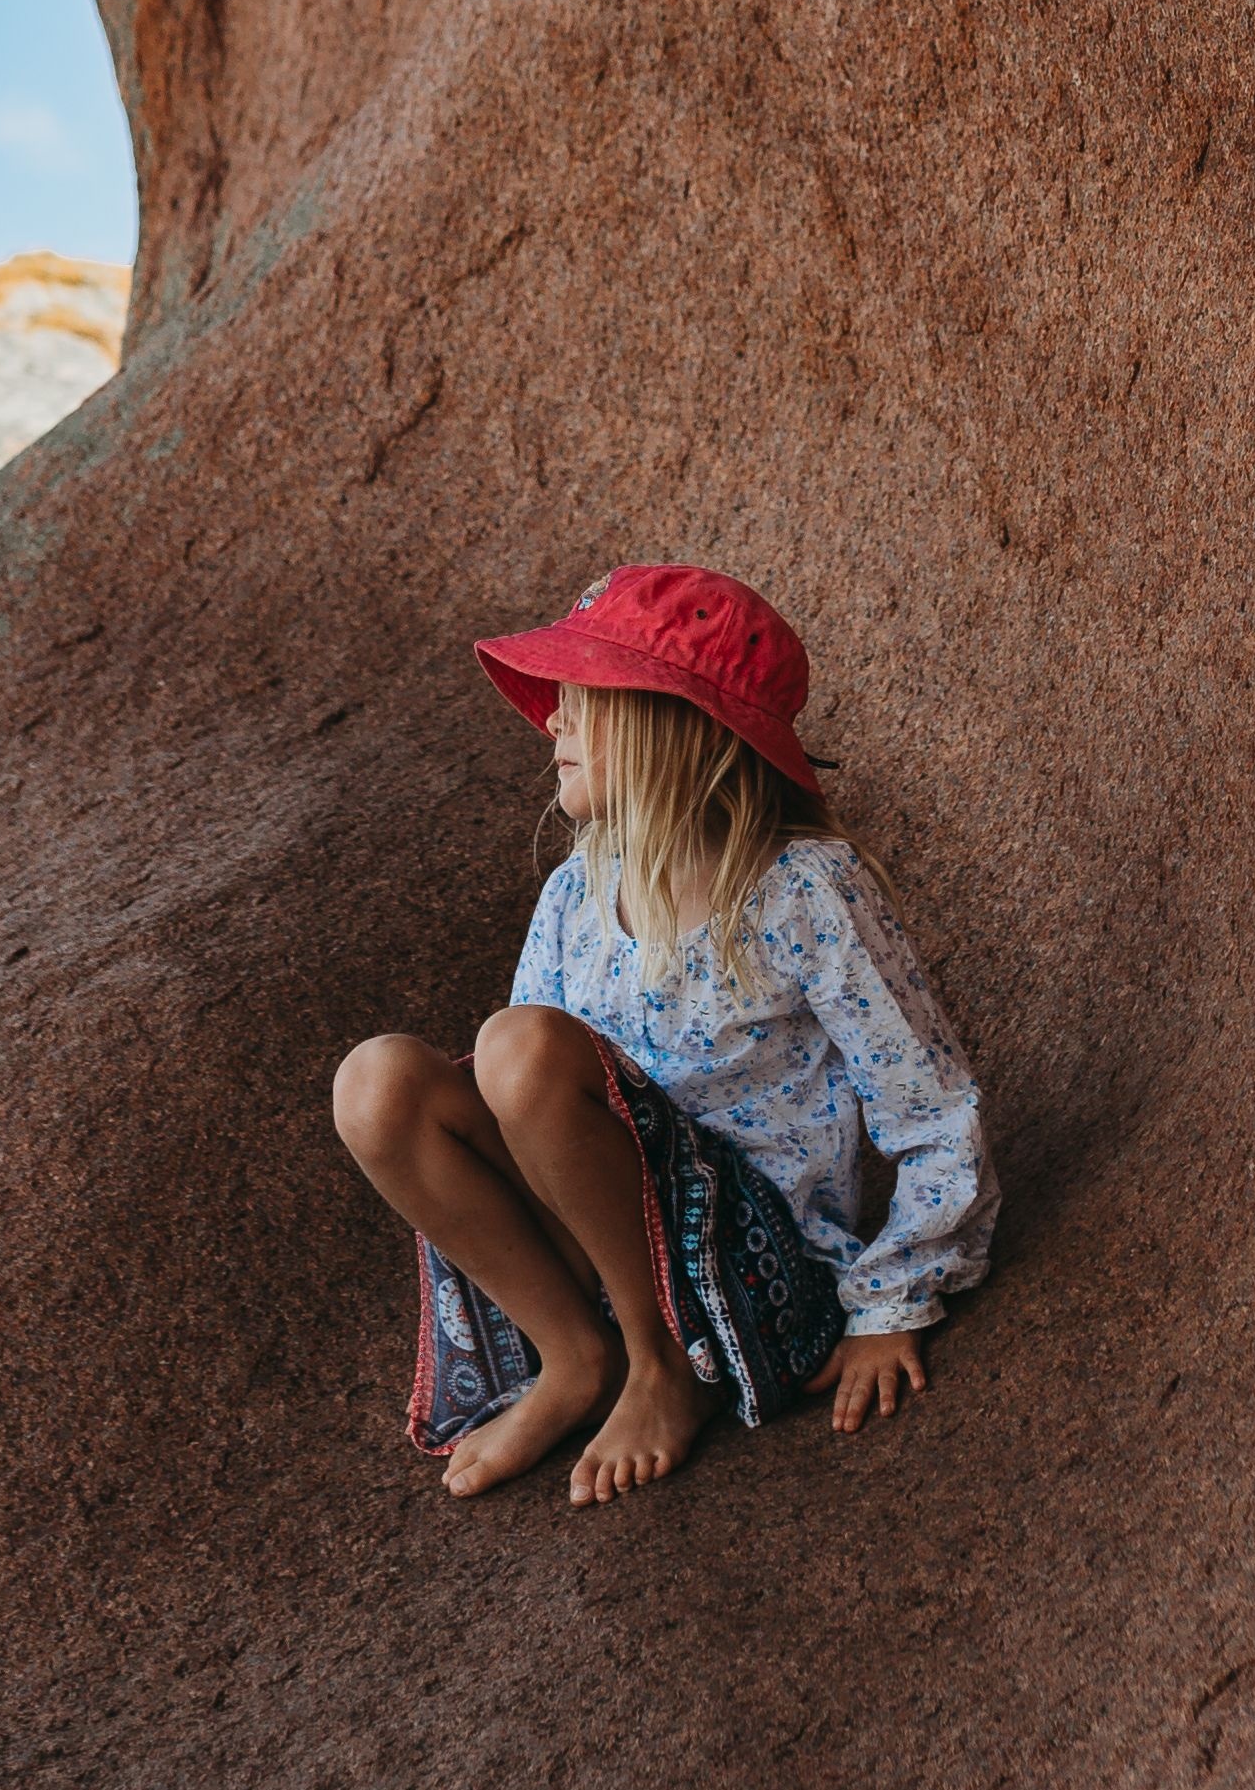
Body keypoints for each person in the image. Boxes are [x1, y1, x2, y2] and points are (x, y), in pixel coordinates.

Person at [328, 563, 994, 1504]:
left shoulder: (804, 887)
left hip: (749, 1275)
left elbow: (929, 1103)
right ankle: (574, 1358)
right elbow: (511, 1117)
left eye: (582, 699)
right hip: (599, 1254)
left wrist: (891, 1305)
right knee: (376, 1081)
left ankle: (662, 1365)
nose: (552, 722)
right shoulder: (576, 892)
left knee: (521, 1047)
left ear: (673, 722)